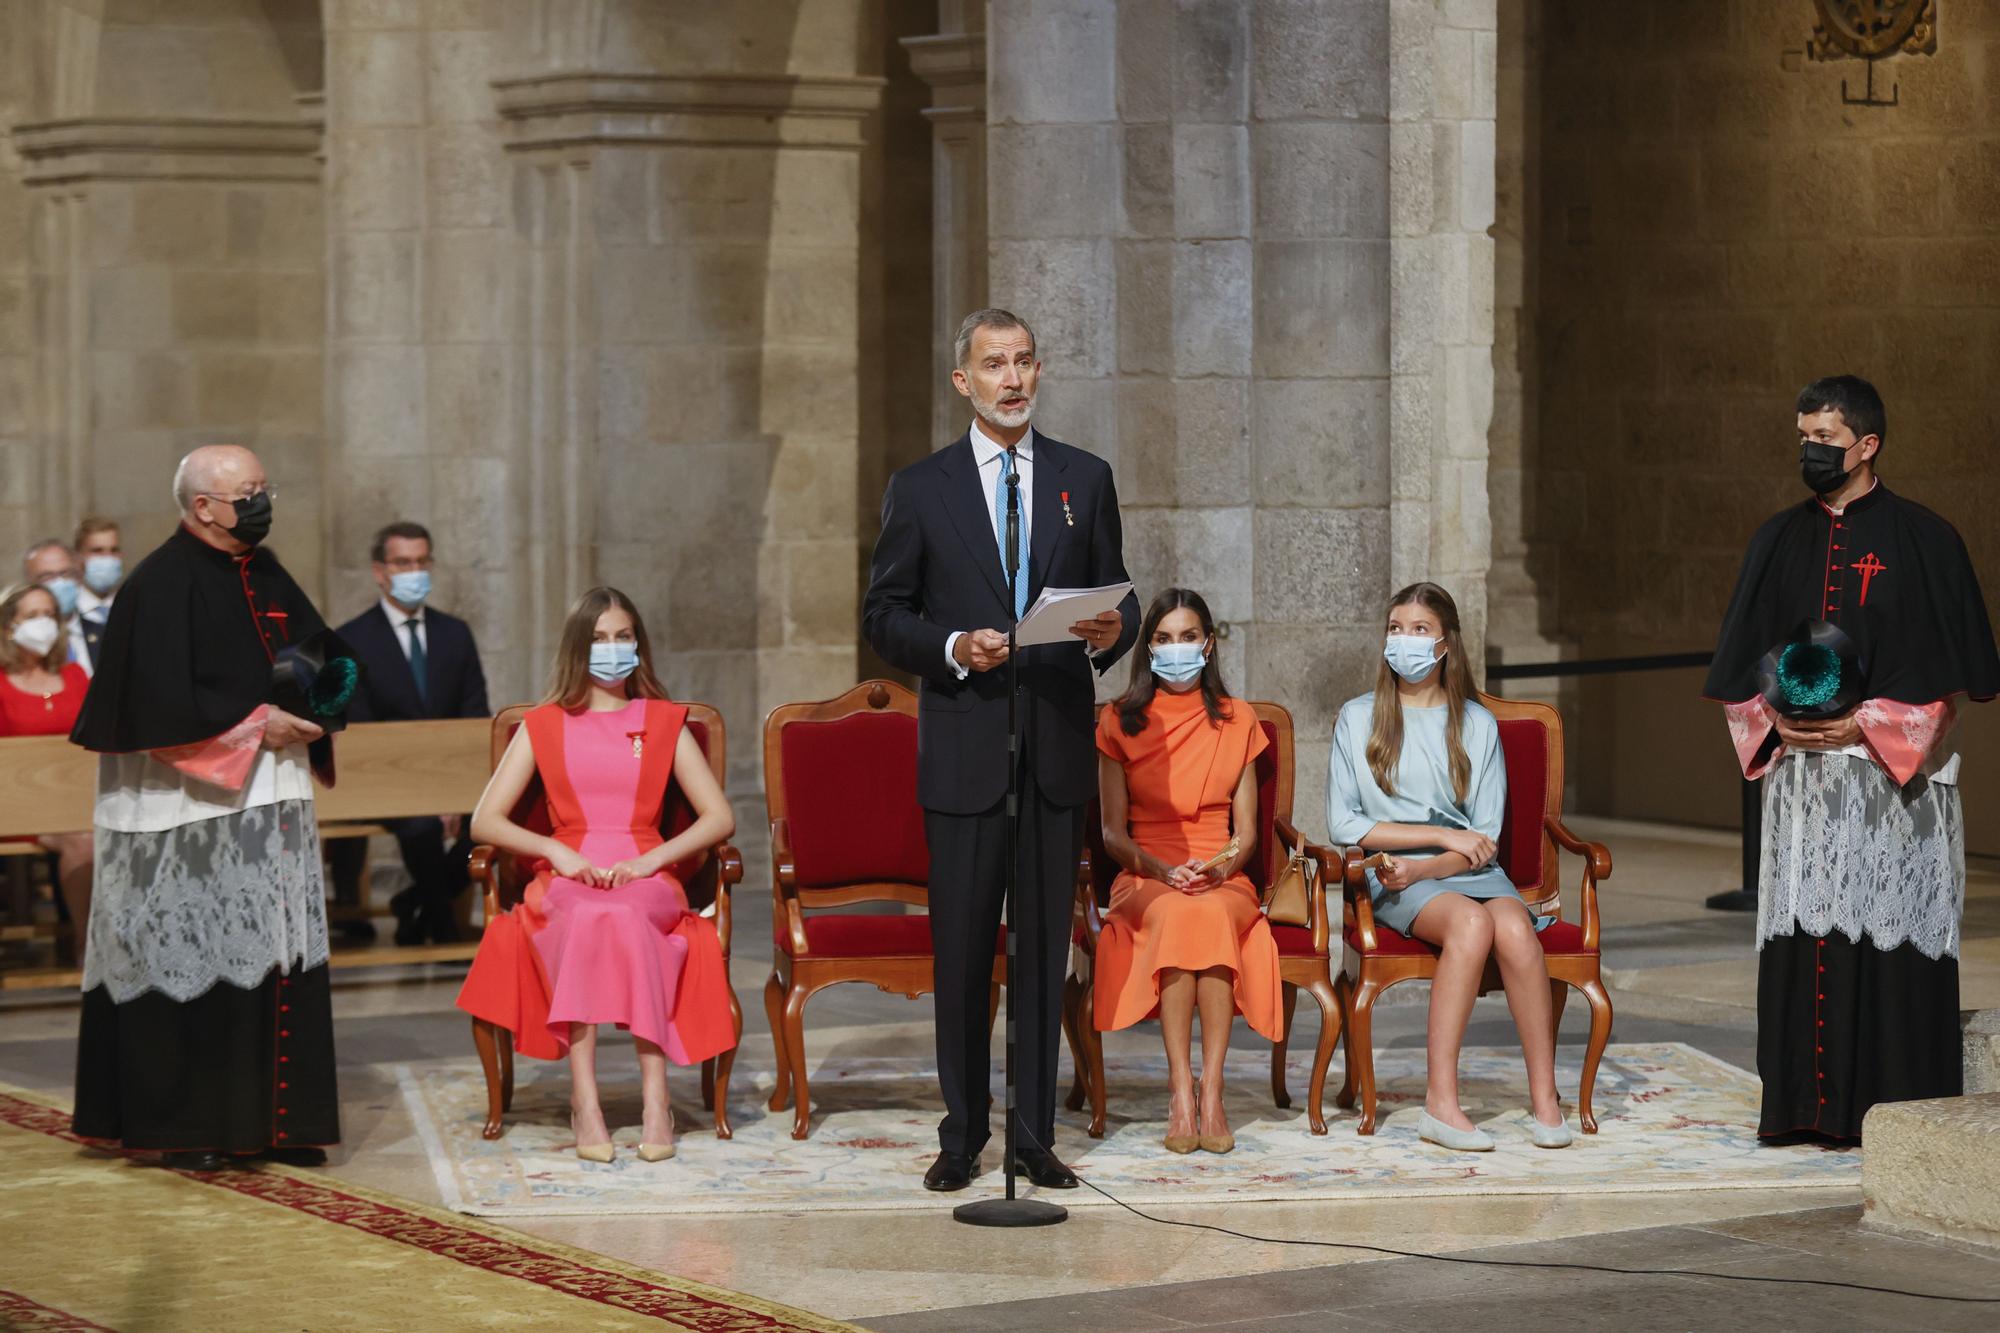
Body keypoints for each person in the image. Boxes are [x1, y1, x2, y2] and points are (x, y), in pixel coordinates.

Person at [862, 307, 1141, 1193]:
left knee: (1041, 953)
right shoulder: (922, 486)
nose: (1012, 379)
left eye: (1023, 362)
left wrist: (1108, 631)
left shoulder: (1081, 478)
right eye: (994, 365)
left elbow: (1121, 600)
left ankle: (1030, 1134)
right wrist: (952, 647)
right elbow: (884, 614)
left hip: (1054, 750)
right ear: (964, 382)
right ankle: (962, 1131)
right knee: (964, 951)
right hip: (967, 750)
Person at [1705, 375, 1998, 1144]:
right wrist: (1775, 723)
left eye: (1827, 440)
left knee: (1887, 946)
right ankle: (1803, 1110)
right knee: (1806, 943)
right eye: (1804, 436)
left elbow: (1945, 691)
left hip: (1887, 788)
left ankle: (1892, 1111)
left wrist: (1862, 730)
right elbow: (1741, 676)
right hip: (1803, 787)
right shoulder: (1776, 538)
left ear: (1867, 445)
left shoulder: (1926, 539)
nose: (1812, 451)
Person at [69, 445, 341, 1172]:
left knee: (274, 951)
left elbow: (322, 660)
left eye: (264, 487)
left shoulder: (268, 571)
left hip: (271, 797)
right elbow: (157, 705)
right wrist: (259, 726)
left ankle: (276, 1124)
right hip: (183, 808)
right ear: (203, 506)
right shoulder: (157, 585)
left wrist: (325, 710)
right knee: (192, 957)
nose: (262, 500)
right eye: (248, 490)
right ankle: (189, 1126)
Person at [456, 587, 737, 1162]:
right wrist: (553, 853)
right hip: (568, 869)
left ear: (639, 644)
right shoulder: (542, 725)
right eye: (600, 639)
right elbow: (485, 820)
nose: (613, 649)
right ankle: (585, 1102)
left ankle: (655, 1102)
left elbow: (719, 817)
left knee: (630, 914)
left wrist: (650, 861)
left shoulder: (664, 722)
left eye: (623, 636)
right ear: (577, 650)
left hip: (645, 869)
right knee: (585, 916)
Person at [1327, 582, 1572, 1151]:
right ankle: (1440, 1104)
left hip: (1464, 868)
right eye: (1395, 628)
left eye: (1419, 630)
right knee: (1470, 924)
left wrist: (1434, 863)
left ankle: (1544, 1097)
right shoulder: (1358, 717)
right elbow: (1346, 824)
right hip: (1391, 872)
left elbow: (1483, 838)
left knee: (1513, 927)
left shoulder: (1477, 725)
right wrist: (1434, 839)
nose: (1404, 641)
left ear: (1445, 645)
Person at [1094, 588, 1282, 1154]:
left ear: (1209, 644)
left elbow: (1246, 834)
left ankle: (1214, 1090)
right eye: (1164, 639)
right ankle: (1181, 1091)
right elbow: (1111, 834)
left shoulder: (1239, 718)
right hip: (1144, 872)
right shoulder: (1117, 721)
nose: (1177, 649)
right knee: (1178, 914)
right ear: (1148, 648)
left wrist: (1218, 869)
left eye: (1188, 637)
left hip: (1221, 873)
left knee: (1207, 915)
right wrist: (1160, 868)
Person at [329, 520, 490, 945]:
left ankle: (413, 902)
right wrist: (427, 792)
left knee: (495, 821)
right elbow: (360, 728)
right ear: (380, 572)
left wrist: (453, 792)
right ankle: (441, 925)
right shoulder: (351, 639)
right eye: (403, 562)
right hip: (386, 783)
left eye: (421, 561)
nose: (413, 571)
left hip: (456, 778)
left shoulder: (455, 634)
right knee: (420, 827)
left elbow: (474, 715)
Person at [0, 582, 94, 960]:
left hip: (78, 800)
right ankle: (91, 949)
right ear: (9, 627)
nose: (43, 624)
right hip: (19, 807)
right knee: (82, 842)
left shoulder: (74, 676)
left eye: (49, 615)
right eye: (32, 616)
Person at [22, 539, 90, 675]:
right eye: (47, 577)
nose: (59, 582)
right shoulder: (24, 641)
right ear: (30, 583)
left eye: (66, 573)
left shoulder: (105, 630)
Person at [73, 517, 124, 671]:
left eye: (114, 550)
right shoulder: (69, 612)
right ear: (78, 558)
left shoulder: (132, 604)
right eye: (97, 551)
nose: (107, 558)